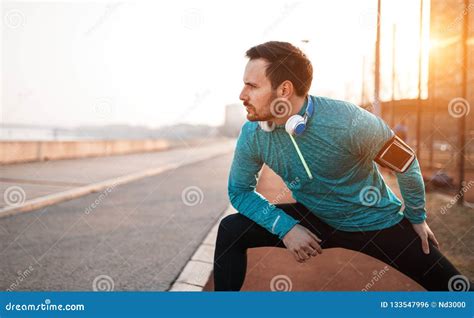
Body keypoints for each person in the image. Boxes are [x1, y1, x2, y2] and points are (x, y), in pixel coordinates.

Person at [213, 41, 472, 291]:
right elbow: (240, 191)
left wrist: (416, 216)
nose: (242, 95)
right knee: (231, 230)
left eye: (252, 86)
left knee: (457, 290)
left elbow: (406, 163)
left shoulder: (350, 121)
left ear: (284, 90)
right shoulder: (253, 134)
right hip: (317, 217)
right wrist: (286, 227)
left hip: (376, 221)